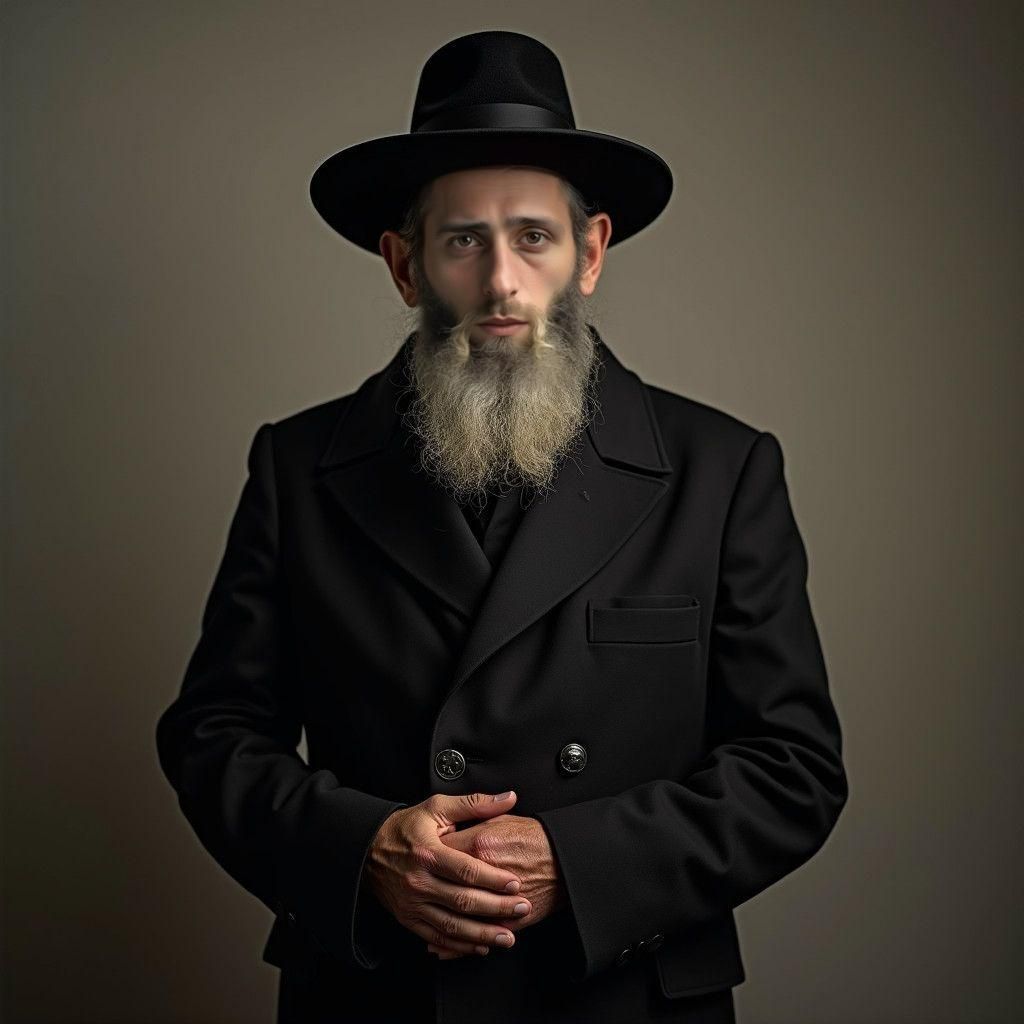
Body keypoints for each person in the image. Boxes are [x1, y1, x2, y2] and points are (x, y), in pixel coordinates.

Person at [155, 29, 847, 1024]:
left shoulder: (722, 470)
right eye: (461, 239)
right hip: (382, 997)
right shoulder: (299, 467)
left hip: (618, 998)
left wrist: (578, 861)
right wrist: (362, 850)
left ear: (591, 252)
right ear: (404, 264)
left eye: (532, 234)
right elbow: (213, 734)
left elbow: (794, 768)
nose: (501, 281)